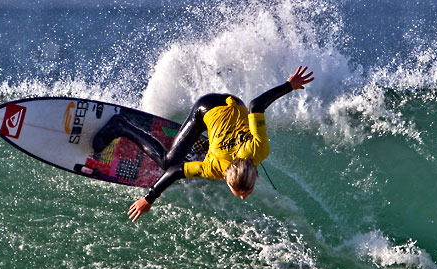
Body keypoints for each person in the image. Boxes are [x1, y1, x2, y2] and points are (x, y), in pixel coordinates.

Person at [92, 66, 315, 221]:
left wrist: (289, 86)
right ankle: (120, 126)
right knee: (166, 160)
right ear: (226, 177)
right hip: (206, 108)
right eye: (240, 191)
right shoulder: (213, 169)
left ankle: (207, 145)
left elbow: (256, 105)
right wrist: (149, 198)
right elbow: (175, 171)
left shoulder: (259, 149)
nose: (245, 196)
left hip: (232, 102)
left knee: (215, 145)